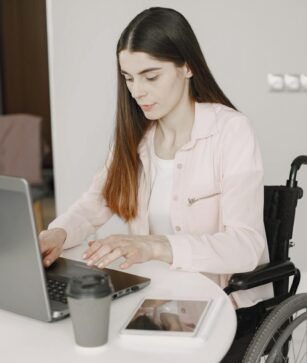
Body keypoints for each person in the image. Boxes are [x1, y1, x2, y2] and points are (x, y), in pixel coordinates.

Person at [39, 7, 272, 308]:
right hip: (156, 297)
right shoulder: (137, 139)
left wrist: (155, 246)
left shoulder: (231, 131)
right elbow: (95, 203)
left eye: (150, 76)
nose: (137, 92)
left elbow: (246, 245)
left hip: (221, 302)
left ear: (187, 68)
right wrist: (57, 233)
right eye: (129, 78)